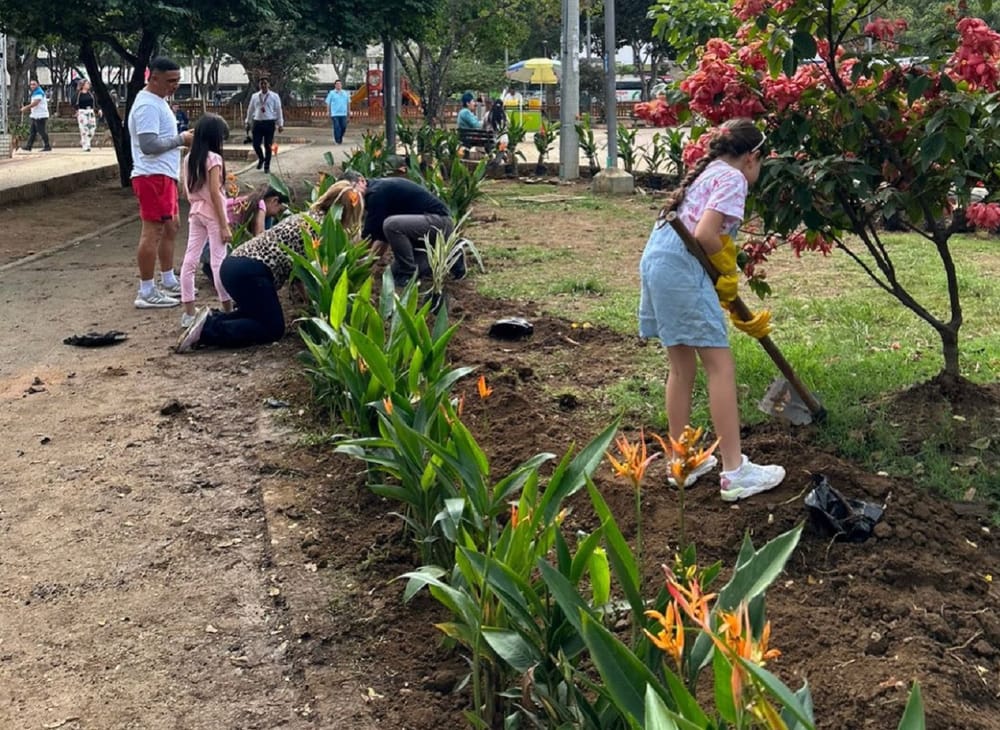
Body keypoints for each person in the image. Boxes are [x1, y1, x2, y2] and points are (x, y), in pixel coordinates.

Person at [637, 118, 785, 502]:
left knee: (681, 368)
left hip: (658, 264)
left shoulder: (708, 172)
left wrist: (718, 274)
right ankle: (735, 472)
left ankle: (681, 462)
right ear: (751, 157)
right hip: (683, 270)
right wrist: (727, 269)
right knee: (720, 366)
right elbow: (705, 234)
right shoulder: (733, 178)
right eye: (761, 161)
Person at [175, 181, 363, 352]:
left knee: (255, 315)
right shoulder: (322, 229)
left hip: (234, 265)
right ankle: (207, 331)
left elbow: (300, 269)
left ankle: (211, 320)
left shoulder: (308, 216)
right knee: (272, 328)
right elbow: (312, 272)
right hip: (251, 272)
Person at [127, 57, 194, 308]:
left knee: (171, 226)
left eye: (177, 80)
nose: (175, 85)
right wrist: (181, 140)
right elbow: (149, 145)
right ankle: (146, 290)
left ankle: (168, 279)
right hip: (151, 176)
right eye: (170, 81)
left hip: (163, 175)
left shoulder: (159, 101)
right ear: (153, 78)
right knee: (152, 231)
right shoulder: (147, 105)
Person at [340, 170, 464, 287]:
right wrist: (364, 265)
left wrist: (352, 262)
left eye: (352, 190)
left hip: (439, 222)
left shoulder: (376, 193)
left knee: (392, 225)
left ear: (361, 181)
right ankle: (449, 256)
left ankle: (408, 273)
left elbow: (369, 239)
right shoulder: (376, 192)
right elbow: (381, 238)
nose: (351, 197)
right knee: (392, 273)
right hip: (423, 233)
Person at [179, 113, 234, 329]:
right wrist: (224, 225)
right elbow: (214, 192)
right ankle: (227, 307)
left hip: (195, 212)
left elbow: (186, 191)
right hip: (213, 214)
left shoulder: (188, 159)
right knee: (218, 261)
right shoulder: (214, 159)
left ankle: (189, 313)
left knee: (190, 260)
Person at [198, 185, 288, 281]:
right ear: (274, 201)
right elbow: (260, 236)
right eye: (280, 210)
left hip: (205, 241)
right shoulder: (260, 204)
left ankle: (211, 268)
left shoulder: (251, 202)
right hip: (210, 244)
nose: (277, 215)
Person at [245, 77, 284, 173]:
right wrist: (248, 122)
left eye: (265, 83)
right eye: (261, 83)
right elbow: (250, 110)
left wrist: (280, 124)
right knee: (256, 144)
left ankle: (267, 166)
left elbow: (279, 110)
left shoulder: (274, 96)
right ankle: (261, 158)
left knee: (268, 145)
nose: (263, 85)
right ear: (259, 85)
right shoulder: (255, 96)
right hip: (257, 122)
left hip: (269, 123)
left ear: (268, 84)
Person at [19, 80, 52, 152]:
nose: (32, 86)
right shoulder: (35, 92)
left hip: (40, 115)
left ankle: (47, 146)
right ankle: (29, 146)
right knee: (33, 132)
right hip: (35, 115)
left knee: (41, 131)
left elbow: (36, 103)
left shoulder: (39, 92)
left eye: (34, 84)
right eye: (31, 84)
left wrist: (25, 108)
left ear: (38, 84)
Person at [74, 79, 100, 152]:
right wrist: (77, 110)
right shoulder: (78, 94)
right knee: (84, 129)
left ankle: (85, 141)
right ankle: (86, 145)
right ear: (83, 85)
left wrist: (98, 110)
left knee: (92, 128)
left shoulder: (91, 94)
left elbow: (95, 103)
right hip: (82, 112)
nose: (88, 85)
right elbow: (74, 102)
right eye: (87, 84)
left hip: (90, 111)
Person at [324, 79, 350, 144]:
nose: (338, 85)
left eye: (339, 84)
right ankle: (337, 140)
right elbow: (328, 103)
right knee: (337, 127)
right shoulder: (331, 93)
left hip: (343, 113)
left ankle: (340, 137)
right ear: (335, 85)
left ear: (341, 85)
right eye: (337, 84)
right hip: (335, 113)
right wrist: (328, 111)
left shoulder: (345, 93)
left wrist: (349, 111)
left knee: (343, 126)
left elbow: (348, 103)